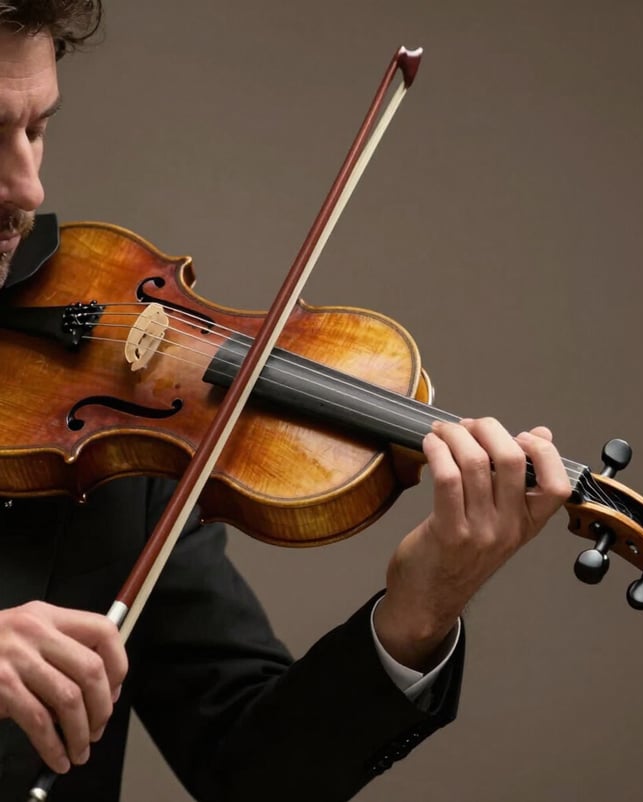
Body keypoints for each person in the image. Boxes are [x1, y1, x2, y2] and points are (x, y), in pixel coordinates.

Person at [0, 2, 572, 800]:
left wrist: (416, 614)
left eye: (35, 131)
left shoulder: (110, 435)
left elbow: (253, 777)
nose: (26, 188)